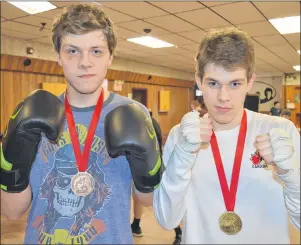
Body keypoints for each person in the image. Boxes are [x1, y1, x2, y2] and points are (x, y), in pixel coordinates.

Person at [1, 4, 164, 244]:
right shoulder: (33, 116)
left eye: (96, 51)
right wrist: (11, 160)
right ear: (58, 56)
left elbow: (148, 201)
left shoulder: (133, 113)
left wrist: (147, 167)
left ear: (111, 57)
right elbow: (12, 212)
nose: (85, 62)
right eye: (73, 51)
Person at [153, 27, 300, 244]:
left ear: (250, 82)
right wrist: (183, 156)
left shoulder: (280, 132)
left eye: (235, 84)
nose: (223, 97)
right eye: (213, 83)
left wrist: (290, 175)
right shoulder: (181, 136)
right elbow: (167, 220)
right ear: (199, 81)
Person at [131, 111, 182, 244]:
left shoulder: (141, 126)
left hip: (149, 167)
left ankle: (178, 231)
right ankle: (136, 225)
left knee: (160, 201)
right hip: (155, 165)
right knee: (139, 196)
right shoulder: (154, 124)